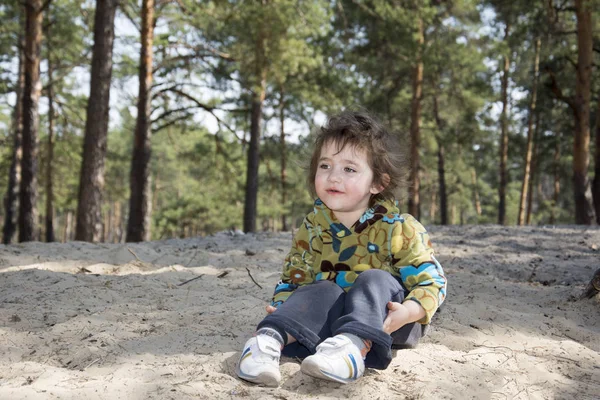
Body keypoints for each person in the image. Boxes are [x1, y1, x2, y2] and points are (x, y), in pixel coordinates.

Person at [235, 110, 447, 387]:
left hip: (387, 319)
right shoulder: (313, 226)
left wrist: (409, 311)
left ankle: (351, 348)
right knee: (321, 289)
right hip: (330, 318)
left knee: (373, 278)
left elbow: (433, 283)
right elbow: (294, 276)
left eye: (349, 169)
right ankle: (266, 343)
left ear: (377, 183)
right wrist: (284, 306)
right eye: (325, 166)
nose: (333, 177)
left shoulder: (400, 228)